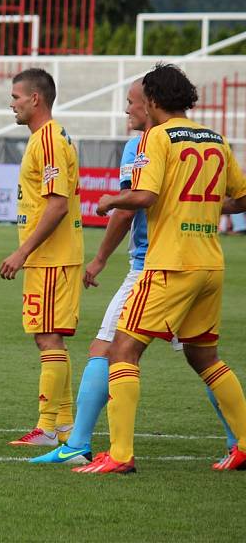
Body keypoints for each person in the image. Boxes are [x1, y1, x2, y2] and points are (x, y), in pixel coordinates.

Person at [32, 78, 237, 465]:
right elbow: (237, 197)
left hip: (159, 265)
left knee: (114, 349)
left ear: (152, 103)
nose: (127, 110)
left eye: (131, 102)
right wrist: (203, 207)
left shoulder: (149, 141)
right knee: (205, 358)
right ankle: (238, 441)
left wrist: (104, 231)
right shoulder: (212, 139)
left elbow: (135, 203)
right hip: (206, 262)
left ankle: (96, 447)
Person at [0, 68, 83, 447]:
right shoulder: (46, 138)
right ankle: (63, 426)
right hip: (50, 257)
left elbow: (57, 205)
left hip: (52, 257)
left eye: (16, 96)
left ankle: (49, 427)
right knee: (48, 338)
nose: (11, 103)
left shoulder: (48, 141)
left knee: (49, 339)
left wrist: (22, 251)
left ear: (36, 99)